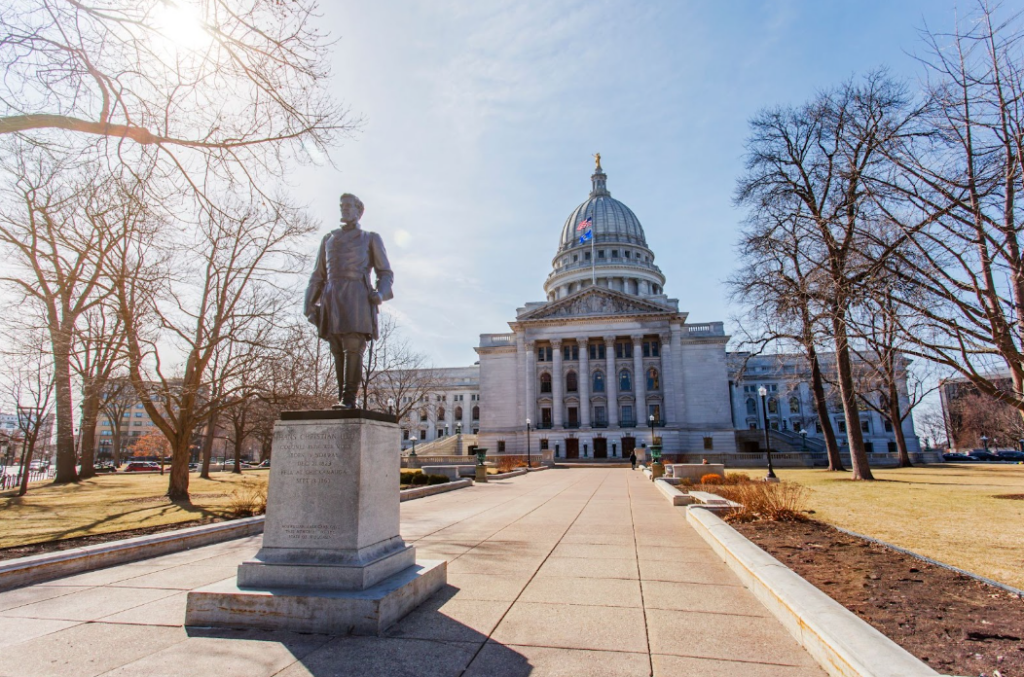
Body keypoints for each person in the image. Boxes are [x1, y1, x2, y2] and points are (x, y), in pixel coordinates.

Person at [304, 193, 394, 408]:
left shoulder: (370, 238)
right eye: (341, 206)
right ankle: (342, 398)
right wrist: (308, 304)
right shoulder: (328, 239)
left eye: (348, 206)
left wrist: (380, 294)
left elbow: (386, 273)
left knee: (352, 346)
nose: (344, 209)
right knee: (336, 347)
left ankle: (348, 399)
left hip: (357, 296)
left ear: (358, 211)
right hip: (331, 296)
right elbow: (318, 274)